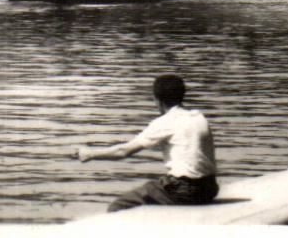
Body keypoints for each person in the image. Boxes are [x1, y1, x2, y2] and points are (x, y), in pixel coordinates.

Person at [75, 74, 218, 212]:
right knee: (155, 187)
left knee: (118, 206)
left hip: (185, 191)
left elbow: (123, 151)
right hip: (210, 188)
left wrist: (89, 154)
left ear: (157, 100)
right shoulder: (198, 117)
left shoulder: (165, 122)